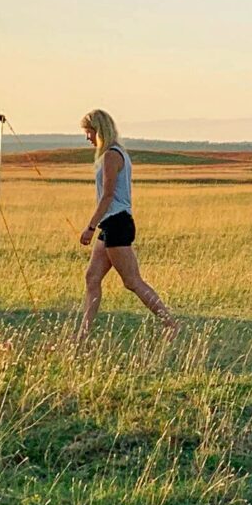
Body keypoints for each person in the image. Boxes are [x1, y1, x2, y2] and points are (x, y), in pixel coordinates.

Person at [77, 110, 177, 341]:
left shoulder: (112, 155)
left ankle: (170, 324)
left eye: (89, 132)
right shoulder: (113, 153)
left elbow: (108, 195)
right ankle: (83, 335)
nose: (87, 138)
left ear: (99, 130)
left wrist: (90, 227)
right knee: (92, 277)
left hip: (117, 223)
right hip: (111, 224)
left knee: (132, 281)